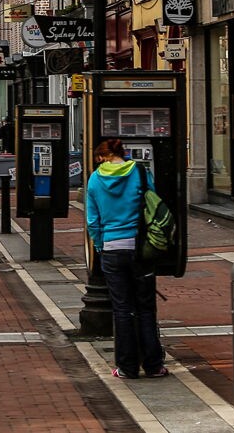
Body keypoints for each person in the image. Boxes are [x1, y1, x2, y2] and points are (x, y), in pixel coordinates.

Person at [85, 138, 167, 380]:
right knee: (145, 307)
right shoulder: (140, 172)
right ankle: (153, 365)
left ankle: (126, 367)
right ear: (122, 153)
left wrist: (101, 246)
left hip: (111, 247)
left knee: (121, 308)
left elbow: (93, 221)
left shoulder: (95, 179)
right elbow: (153, 205)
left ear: (102, 157)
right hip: (139, 247)